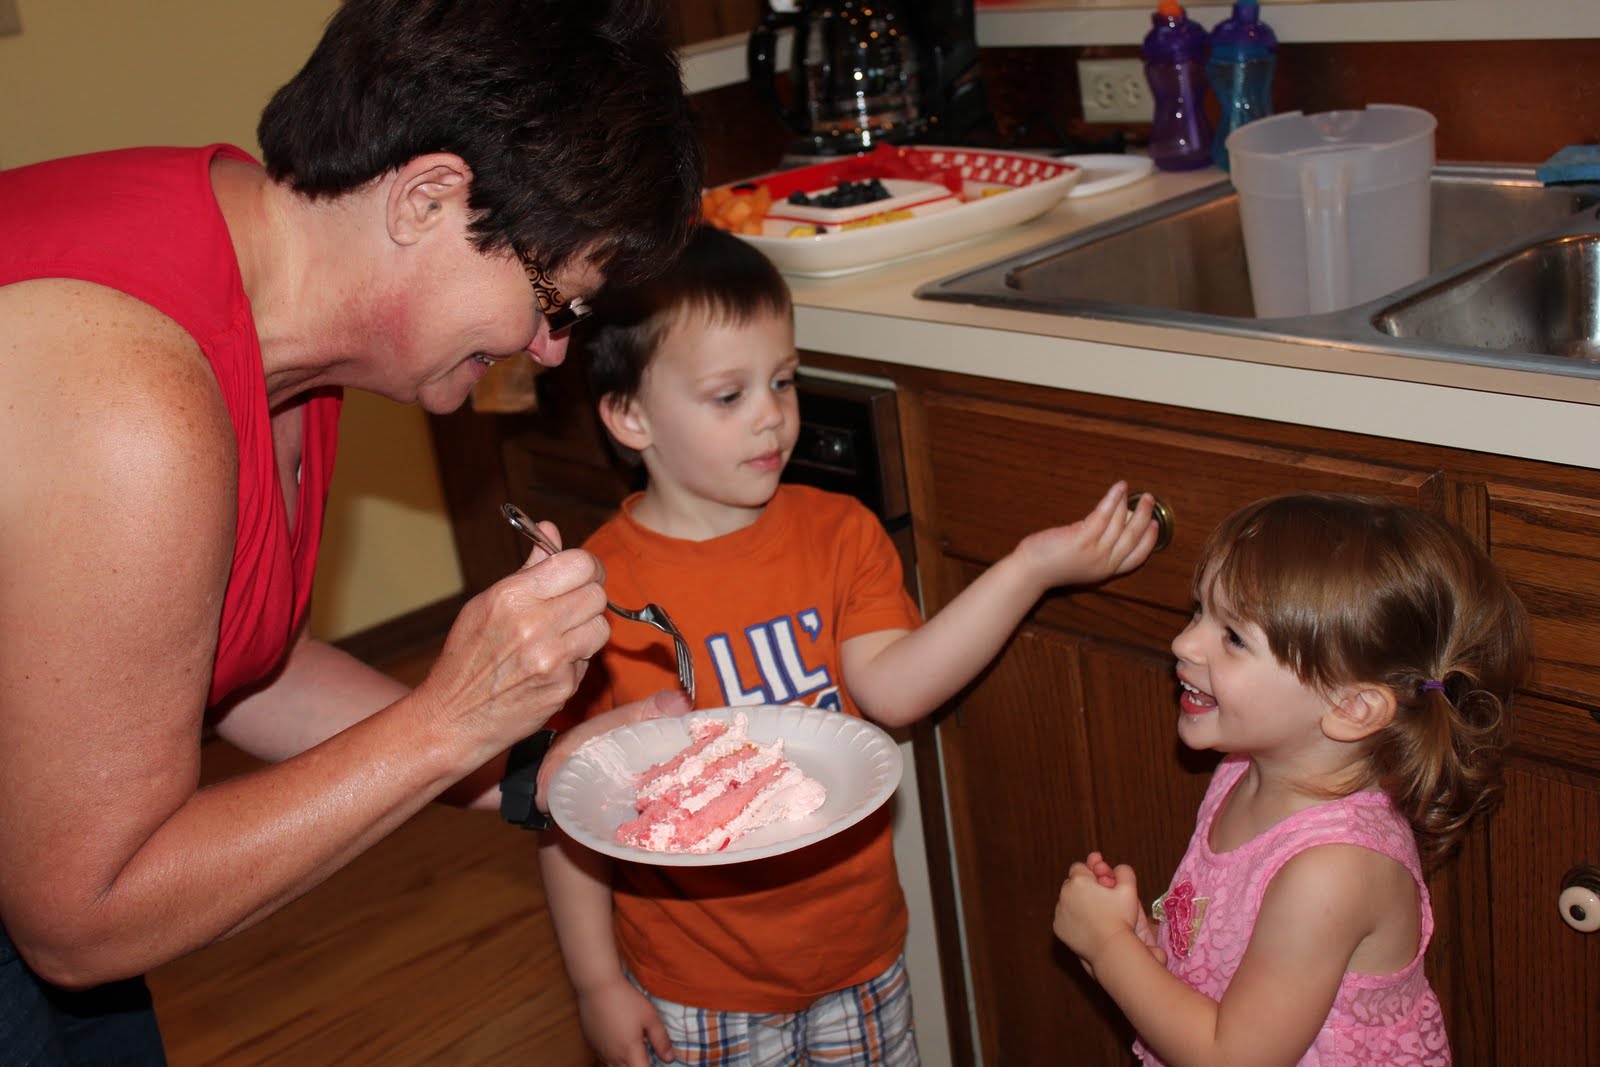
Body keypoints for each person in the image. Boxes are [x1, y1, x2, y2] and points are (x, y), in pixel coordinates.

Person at [0, 1, 704, 1061]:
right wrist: (447, 722)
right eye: (554, 300)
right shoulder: (130, 402)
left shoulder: (279, 309)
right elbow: (81, 919)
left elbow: (242, 667)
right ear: (428, 198)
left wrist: (529, 766)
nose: (551, 349)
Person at [537, 224, 1162, 1067]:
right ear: (629, 415)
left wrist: (1030, 568)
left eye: (783, 380)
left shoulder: (842, 533)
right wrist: (595, 983)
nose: (771, 415)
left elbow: (897, 690)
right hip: (695, 986)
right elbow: (570, 810)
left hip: (858, 958)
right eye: (728, 395)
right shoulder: (596, 594)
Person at [1052, 492, 1533, 1066]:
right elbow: (1230, 969)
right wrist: (1140, 945)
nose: (1183, 642)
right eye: (1199, 611)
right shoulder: (1241, 770)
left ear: (1352, 708)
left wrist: (1108, 948)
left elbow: (1232, 1058)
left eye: (1234, 637)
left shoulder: (1334, 869)